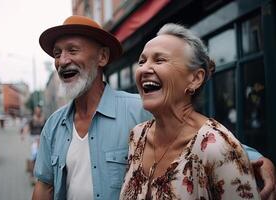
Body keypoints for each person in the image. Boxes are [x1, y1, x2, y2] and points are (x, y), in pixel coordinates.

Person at [32, 15, 275, 200]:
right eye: (57, 53)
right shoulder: (54, 125)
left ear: (102, 58)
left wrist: (260, 160)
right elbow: (44, 185)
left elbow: (208, 142)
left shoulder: (141, 108)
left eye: (72, 50)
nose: (62, 61)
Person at [119, 23, 264, 199]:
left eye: (159, 60)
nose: (144, 69)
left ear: (195, 79)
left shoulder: (217, 147)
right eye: (142, 61)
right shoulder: (137, 136)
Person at [22, 105, 45, 184]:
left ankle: (42, 174)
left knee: (42, 156)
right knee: (34, 155)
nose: (38, 112)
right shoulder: (32, 119)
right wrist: (23, 135)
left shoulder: (43, 119)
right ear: (35, 111)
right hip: (34, 139)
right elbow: (27, 127)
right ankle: (32, 175)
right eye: (36, 110)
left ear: (40, 111)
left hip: (42, 139)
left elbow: (47, 128)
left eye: (39, 110)